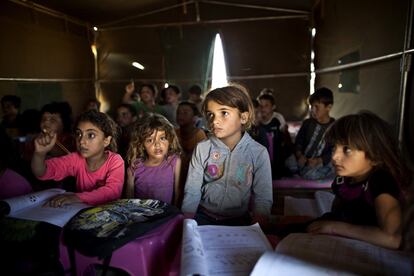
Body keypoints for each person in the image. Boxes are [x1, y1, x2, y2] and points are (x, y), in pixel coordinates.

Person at [305, 111, 409, 249]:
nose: (335, 156)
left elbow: (392, 238)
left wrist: (333, 228)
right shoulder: (345, 180)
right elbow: (336, 212)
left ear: (375, 156)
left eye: (347, 150)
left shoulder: (381, 181)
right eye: (334, 148)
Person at [181, 84, 273, 226]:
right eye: (210, 114)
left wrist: (257, 228)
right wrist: (187, 222)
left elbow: (263, 197)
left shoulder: (258, 153)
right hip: (203, 216)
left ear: (243, 117)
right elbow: (192, 190)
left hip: (239, 220)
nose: (214, 121)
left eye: (224, 113)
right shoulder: (202, 148)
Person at [31, 110, 124, 206]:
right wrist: (39, 154)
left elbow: (112, 192)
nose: (81, 141)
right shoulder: (76, 159)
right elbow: (42, 172)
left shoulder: (115, 161)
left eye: (91, 135)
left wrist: (76, 197)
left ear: (106, 140)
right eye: (79, 134)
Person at [125, 113, 182, 205]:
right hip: (141, 215)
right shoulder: (134, 166)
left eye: (162, 138)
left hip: (166, 215)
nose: (157, 144)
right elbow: (129, 199)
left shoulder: (174, 161)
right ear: (142, 144)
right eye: (150, 140)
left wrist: (174, 214)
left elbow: (177, 192)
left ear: (170, 140)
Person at [285, 87, 335, 180]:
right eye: (312, 107)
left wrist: (319, 160)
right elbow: (299, 141)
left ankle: (300, 173)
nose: (313, 110)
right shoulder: (307, 123)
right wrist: (299, 155)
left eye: (317, 107)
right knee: (288, 161)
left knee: (324, 168)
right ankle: (298, 172)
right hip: (302, 159)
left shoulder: (334, 127)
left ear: (328, 107)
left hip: (319, 162)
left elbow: (333, 150)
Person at [175, 101, 207, 205]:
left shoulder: (200, 135)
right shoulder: (174, 133)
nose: (180, 115)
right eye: (178, 112)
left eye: (185, 112)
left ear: (194, 117)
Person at [258, 92, 291, 179]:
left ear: (273, 107)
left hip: (277, 153)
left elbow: (286, 137)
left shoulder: (278, 118)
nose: (263, 109)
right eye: (261, 106)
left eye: (266, 105)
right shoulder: (258, 120)